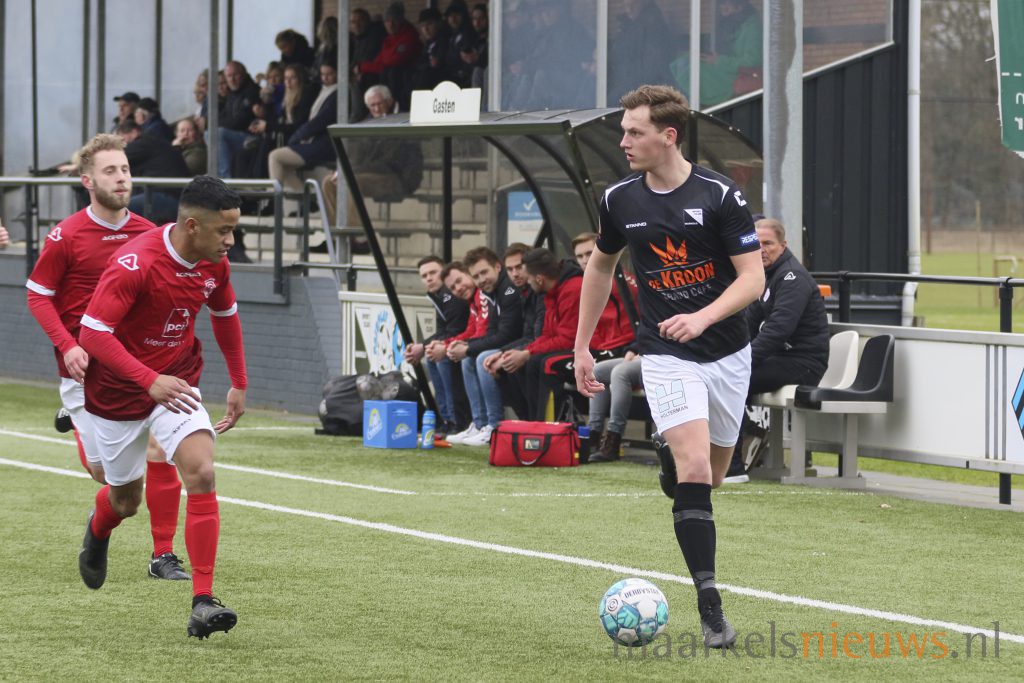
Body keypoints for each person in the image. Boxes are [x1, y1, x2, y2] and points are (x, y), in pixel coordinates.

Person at [573, 85, 763, 649]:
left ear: (668, 135)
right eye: (624, 131)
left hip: (728, 352)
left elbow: (753, 279)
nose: (624, 141)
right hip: (664, 352)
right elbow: (600, 268)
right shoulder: (619, 200)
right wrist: (583, 347)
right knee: (696, 467)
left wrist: (703, 317)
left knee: (715, 475)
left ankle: (669, 456)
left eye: (635, 132)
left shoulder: (720, 195)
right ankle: (711, 607)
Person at [76, 175, 248, 639]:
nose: (230, 241)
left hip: (177, 381)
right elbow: (92, 334)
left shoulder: (215, 265)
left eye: (234, 230)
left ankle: (203, 602)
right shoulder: (135, 263)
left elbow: (225, 317)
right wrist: (148, 380)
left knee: (202, 471)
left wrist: (238, 381)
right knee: (125, 501)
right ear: (192, 226)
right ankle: (99, 526)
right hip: (117, 391)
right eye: (224, 231)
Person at [24, 133, 190, 583]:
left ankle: (163, 555)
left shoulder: (150, 234)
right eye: (110, 171)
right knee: (116, 489)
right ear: (88, 181)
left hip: (138, 370)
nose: (121, 179)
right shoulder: (66, 235)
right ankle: (97, 517)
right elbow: (38, 296)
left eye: (125, 170)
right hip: (84, 373)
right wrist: (68, 344)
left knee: (164, 448)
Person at [725, 217, 829, 478]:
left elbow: (778, 330)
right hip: (781, 358)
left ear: (783, 245)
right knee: (723, 375)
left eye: (768, 243)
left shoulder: (793, 277)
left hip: (804, 362)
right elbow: (748, 324)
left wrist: (741, 361)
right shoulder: (763, 276)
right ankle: (750, 435)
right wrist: (727, 355)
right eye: (755, 243)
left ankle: (733, 467)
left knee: (733, 379)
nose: (761, 249)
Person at [445, 247, 523, 446]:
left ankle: (495, 426)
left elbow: (507, 334)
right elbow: (492, 333)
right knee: (469, 359)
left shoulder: (508, 290)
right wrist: (467, 345)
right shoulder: (493, 291)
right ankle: (480, 424)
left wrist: (468, 347)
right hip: (512, 343)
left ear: (497, 267)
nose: (481, 280)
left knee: (480, 358)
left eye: (484, 272)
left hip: (522, 344)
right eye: (476, 276)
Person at [403, 255, 470, 436]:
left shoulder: (451, 296)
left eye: (433, 273)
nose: (429, 278)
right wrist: (424, 346)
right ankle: (446, 419)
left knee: (442, 359)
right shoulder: (439, 296)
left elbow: (454, 330)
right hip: (458, 341)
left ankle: (458, 421)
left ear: (443, 272)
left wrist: (423, 347)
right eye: (424, 276)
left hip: (467, 343)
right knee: (433, 356)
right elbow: (444, 330)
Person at [483, 243, 545, 420]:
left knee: (513, 363)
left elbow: (537, 336)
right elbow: (528, 335)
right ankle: (524, 421)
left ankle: (531, 421)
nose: (515, 274)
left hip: (550, 347)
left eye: (519, 267)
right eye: (510, 269)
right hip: (534, 345)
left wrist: (507, 354)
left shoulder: (538, 292)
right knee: (495, 362)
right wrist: (502, 353)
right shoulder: (523, 292)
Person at [671, 0, 762, 107]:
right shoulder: (731, 23)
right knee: (684, 61)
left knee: (688, 68)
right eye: (721, 3)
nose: (722, 6)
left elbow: (752, 62)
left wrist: (719, 60)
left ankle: (685, 108)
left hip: (738, 74)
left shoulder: (752, 28)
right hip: (727, 68)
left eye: (727, 3)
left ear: (740, 6)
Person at [116, 120, 192, 227]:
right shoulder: (154, 142)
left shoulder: (142, 143)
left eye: (123, 140)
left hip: (168, 198)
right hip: (176, 198)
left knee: (116, 207)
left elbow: (115, 159)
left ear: (134, 132)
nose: (123, 145)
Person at [355, 2, 422, 111]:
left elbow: (393, 60)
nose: (390, 25)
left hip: (406, 78)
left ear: (401, 21)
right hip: (390, 77)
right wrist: (360, 68)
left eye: (394, 20)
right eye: (387, 21)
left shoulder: (409, 35)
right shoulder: (388, 39)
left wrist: (365, 66)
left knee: (392, 71)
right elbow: (379, 63)